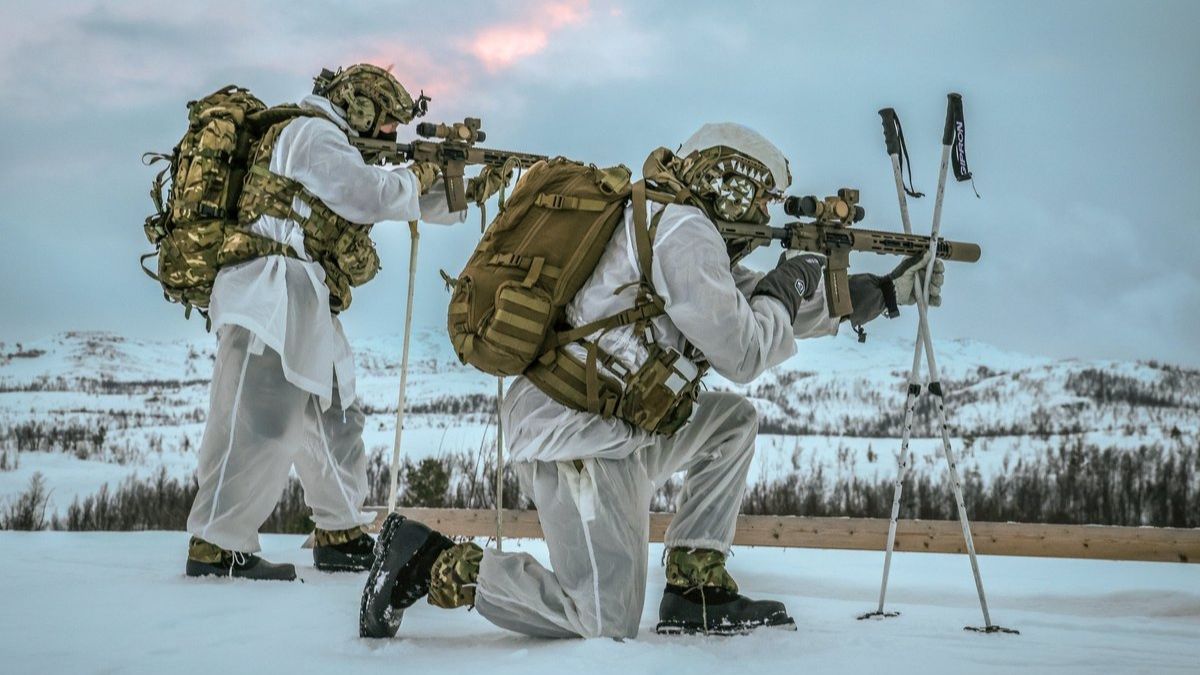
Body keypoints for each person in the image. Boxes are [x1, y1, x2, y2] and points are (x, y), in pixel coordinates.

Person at [361, 123, 944, 635]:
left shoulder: (673, 226)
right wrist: (787, 288)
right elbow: (743, 350)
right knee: (599, 617)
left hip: (618, 428)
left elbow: (740, 309)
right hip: (579, 439)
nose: (767, 214)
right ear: (730, 183)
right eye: (762, 197)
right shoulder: (682, 232)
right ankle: (429, 562)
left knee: (729, 424)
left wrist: (880, 293)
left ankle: (695, 585)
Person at [184, 64, 467, 580]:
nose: (388, 138)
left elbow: (396, 197)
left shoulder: (334, 146)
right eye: (385, 125)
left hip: (301, 296)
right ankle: (217, 546)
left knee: (335, 417)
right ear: (359, 107)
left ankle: (340, 533)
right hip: (267, 292)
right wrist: (424, 171)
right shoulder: (310, 133)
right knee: (260, 424)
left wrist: (462, 183)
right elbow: (371, 195)